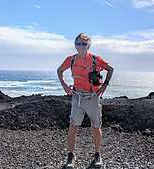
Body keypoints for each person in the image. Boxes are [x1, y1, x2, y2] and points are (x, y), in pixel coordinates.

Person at [57, 32, 113, 168]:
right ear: (75, 44)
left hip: (92, 97)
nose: (80, 46)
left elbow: (110, 69)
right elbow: (59, 71)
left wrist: (104, 85)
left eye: (83, 43)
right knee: (73, 126)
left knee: (96, 126)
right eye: (78, 43)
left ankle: (97, 154)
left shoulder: (95, 59)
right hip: (77, 97)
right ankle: (70, 156)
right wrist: (64, 85)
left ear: (88, 45)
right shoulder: (70, 59)